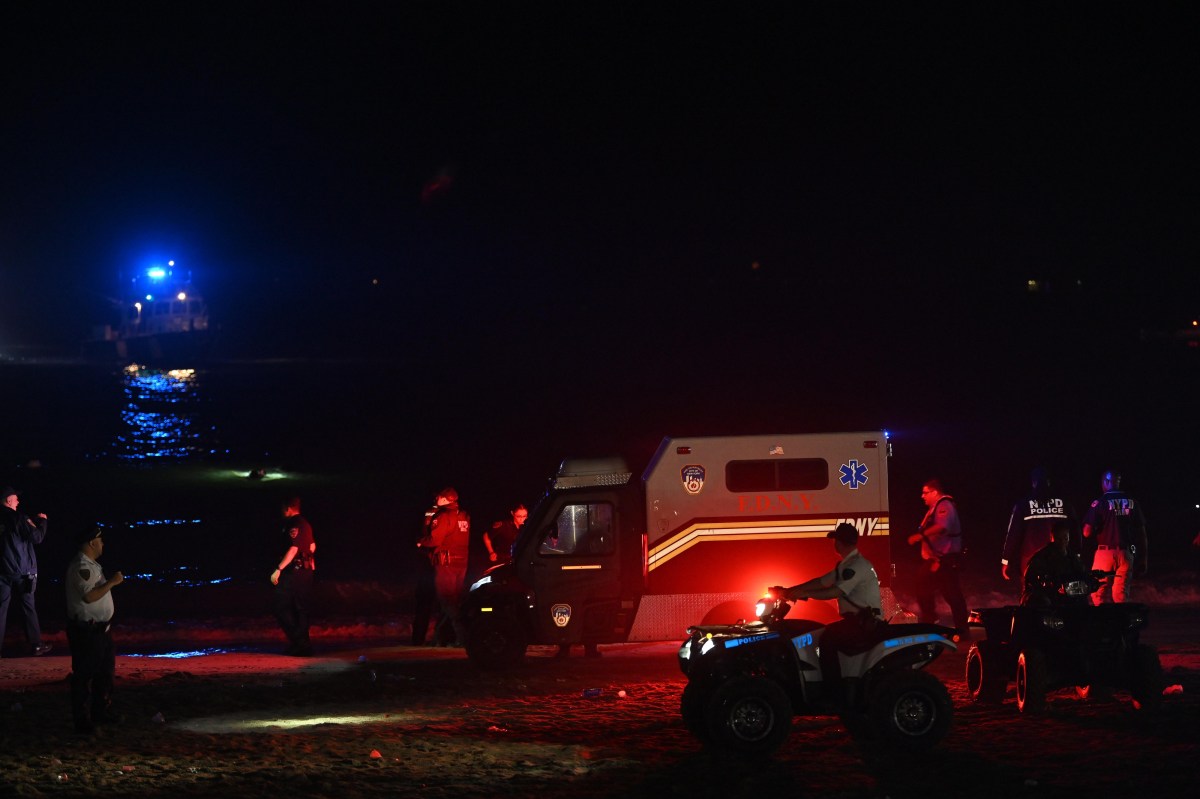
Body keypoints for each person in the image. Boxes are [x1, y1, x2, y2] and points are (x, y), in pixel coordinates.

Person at [776, 523, 881, 704]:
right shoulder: (846, 565)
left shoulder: (857, 566)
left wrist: (805, 593)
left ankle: (834, 693)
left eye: (834, 540)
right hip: (856, 621)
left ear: (839, 543)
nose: (833, 544)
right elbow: (821, 582)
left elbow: (835, 591)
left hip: (864, 623)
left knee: (826, 639)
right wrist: (790, 590)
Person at [65, 526, 124, 735]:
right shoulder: (81, 566)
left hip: (101, 630)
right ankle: (82, 720)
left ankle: (101, 712)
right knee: (84, 676)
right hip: (87, 631)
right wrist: (112, 583)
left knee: (105, 674)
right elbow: (89, 596)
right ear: (91, 542)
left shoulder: (92, 565)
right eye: (100, 540)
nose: (102, 544)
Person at [906, 478, 969, 638]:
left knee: (951, 594)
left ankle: (959, 629)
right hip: (936, 559)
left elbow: (942, 527)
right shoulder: (934, 508)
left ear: (935, 492)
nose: (922, 496)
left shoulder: (944, 506)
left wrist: (920, 536)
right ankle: (931, 621)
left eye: (925, 492)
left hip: (946, 559)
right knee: (926, 586)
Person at [0, 485, 52, 657]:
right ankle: (36, 644)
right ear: (8, 501)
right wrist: (42, 522)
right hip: (22, 571)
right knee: (28, 606)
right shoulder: (18, 518)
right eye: (15, 498)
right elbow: (36, 537)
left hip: (2, 571)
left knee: (1, 609)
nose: (18, 501)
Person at [1001, 467, 1076, 584]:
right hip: (1060, 555)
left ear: (1033, 483)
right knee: (1060, 589)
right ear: (1049, 482)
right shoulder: (1065, 504)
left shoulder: (1022, 505)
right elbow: (1076, 529)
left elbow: (1013, 534)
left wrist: (1006, 560)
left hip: (1030, 557)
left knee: (1030, 592)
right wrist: (1076, 555)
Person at [1082, 470, 1147, 604]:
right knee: (1121, 594)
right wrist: (1144, 558)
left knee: (1098, 593)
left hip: (1105, 552)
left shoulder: (1100, 502)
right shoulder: (1132, 501)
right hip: (1126, 553)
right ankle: (1122, 622)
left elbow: (1086, 532)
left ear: (1105, 482)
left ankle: (1102, 622)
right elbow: (1142, 533)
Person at [419, 487, 470, 647]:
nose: (436, 500)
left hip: (445, 563)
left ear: (444, 499)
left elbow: (435, 540)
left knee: (447, 601)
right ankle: (440, 638)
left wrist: (421, 542)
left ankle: (464, 637)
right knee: (452, 601)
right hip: (461, 563)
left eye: (439, 497)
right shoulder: (464, 515)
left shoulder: (443, 515)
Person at [270, 496, 317, 656]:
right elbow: (312, 546)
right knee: (300, 609)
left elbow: (293, 549)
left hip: (295, 572)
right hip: (305, 571)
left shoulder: (295, 524)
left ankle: (299, 642)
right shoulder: (306, 524)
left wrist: (278, 568)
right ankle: (302, 645)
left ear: (287, 508)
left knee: (280, 605)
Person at [1021, 518, 1089, 607]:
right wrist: (1050, 585)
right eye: (1058, 538)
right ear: (1052, 538)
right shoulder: (1042, 557)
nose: (1062, 542)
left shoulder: (1073, 557)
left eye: (1065, 538)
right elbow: (1030, 581)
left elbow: (1082, 574)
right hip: (1045, 594)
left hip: (1066, 593)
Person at [412, 497, 440, 645]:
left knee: (427, 603)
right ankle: (423, 638)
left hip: (431, 562)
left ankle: (419, 638)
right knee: (430, 603)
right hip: (430, 562)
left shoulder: (434, 513)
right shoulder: (436, 514)